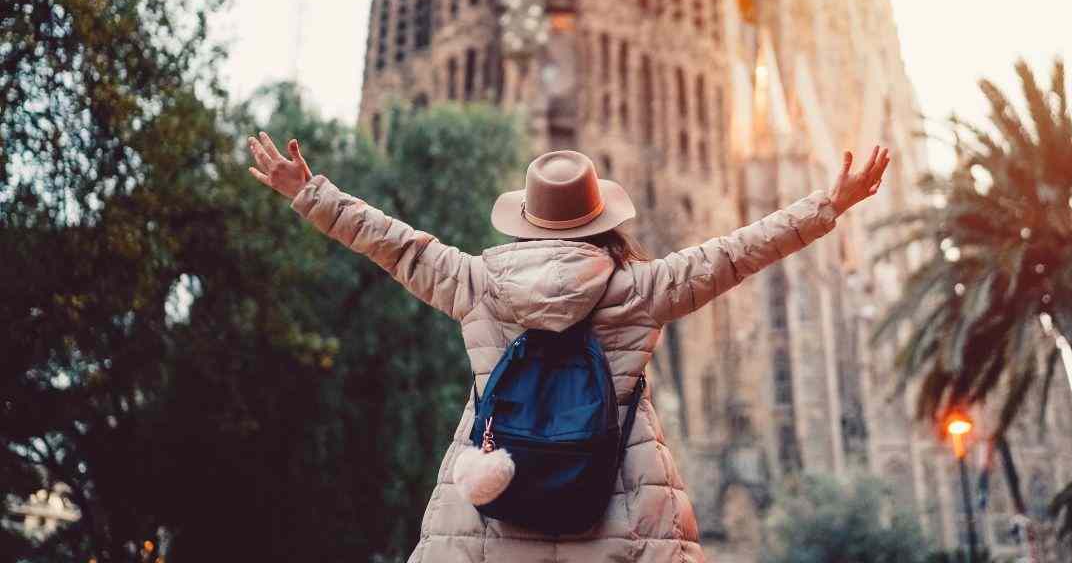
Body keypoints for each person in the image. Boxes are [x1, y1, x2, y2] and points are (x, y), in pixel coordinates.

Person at [247, 131, 889, 562]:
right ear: (601, 222)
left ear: (525, 225)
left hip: (493, 515)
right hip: (619, 511)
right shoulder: (641, 289)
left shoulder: (476, 283)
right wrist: (830, 203)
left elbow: (394, 243)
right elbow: (738, 252)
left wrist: (308, 192)